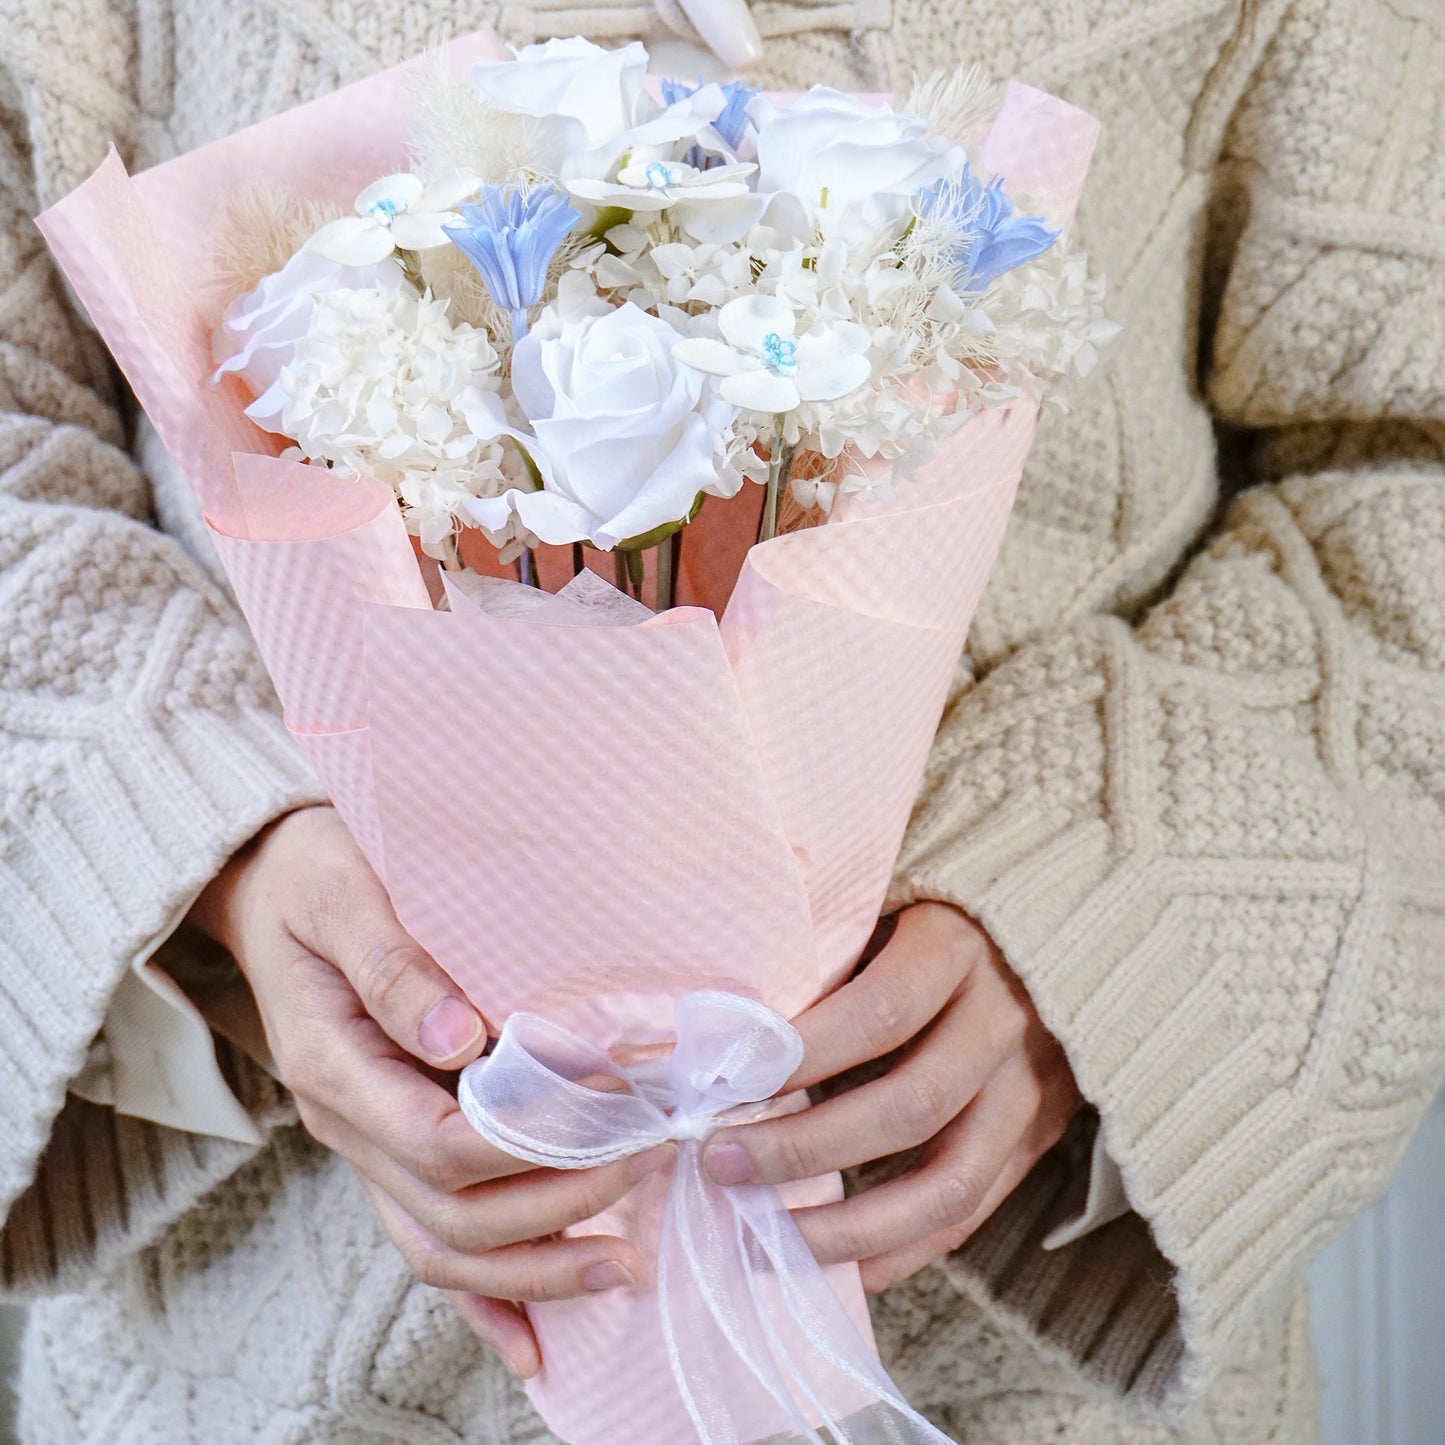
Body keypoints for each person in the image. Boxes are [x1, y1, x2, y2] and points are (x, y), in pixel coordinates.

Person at [0, 0, 1440, 1440]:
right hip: (250, 1360)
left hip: (1022, 1371)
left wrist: (1107, 923)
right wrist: (216, 861)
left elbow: (1401, 465)